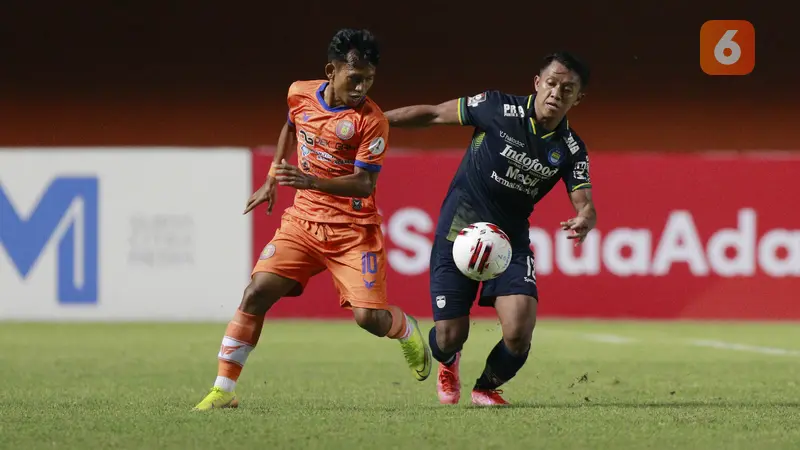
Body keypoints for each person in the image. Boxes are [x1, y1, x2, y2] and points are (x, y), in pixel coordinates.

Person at [193, 28, 432, 411]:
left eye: (369, 79)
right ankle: (224, 389)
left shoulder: (371, 121)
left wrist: (309, 180)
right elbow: (292, 125)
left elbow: (365, 184)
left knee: (368, 318)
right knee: (256, 293)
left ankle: (404, 328)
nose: (362, 88)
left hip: (354, 232)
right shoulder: (299, 93)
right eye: (355, 78)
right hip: (303, 222)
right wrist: (273, 177)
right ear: (330, 71)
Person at [383, 52, 597, 406]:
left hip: (508, 241)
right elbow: (435, 113)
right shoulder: (496, 107)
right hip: (458, 233)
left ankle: (486, 387)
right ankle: (449, 361)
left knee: (518, 332)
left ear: (578, 97)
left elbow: (585, 202)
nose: (557, 92)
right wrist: (375, 121)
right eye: (552, 83)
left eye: (568, 88)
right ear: (537, 83)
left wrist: (585, 219)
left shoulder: (571, 149)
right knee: (450, 336)